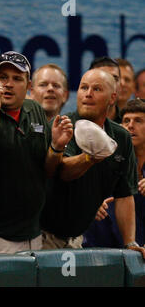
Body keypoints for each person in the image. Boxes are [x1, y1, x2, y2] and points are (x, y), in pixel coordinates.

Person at [0, 51, 73, 254]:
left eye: (17, 79)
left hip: (34, 235)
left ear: (29, 87)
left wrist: (56, 147)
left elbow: (47, 169)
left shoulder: (35, 109)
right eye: (3, 78)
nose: (8, 84)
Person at [40, 69, 145, 258]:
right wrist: (90, 157)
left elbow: (124, 195)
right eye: (83, 88)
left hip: (77, 238)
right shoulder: (62, 126)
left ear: (112, 98)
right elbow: (63, 171)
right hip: (43, 235)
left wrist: (130, 242)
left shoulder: (121, 136)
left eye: (97, 89)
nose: (88, 94)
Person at [83, 99, 145, 248]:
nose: (130, 126)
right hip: (103, 247)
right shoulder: (103, 159)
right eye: (126, 121)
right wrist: (90, 204)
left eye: (138, 121)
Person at [89, 56, 122, 123]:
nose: (111, 84)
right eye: (103, 78)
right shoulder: (69, 125)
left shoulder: (129, 124)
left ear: (120, 86)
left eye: (115, 79)